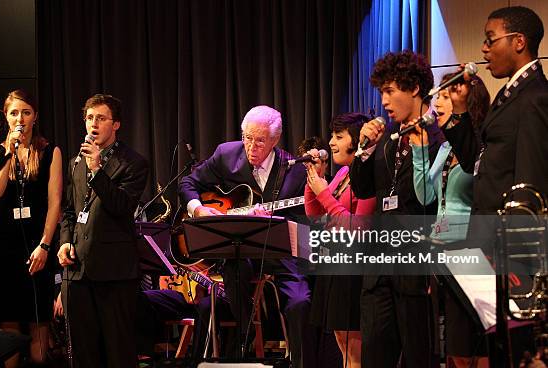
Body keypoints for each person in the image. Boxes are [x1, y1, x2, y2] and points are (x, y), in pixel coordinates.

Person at [179, 105, 317, 368]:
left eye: (260, 140)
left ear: (275, 140)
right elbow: (188, 184)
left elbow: (308, 220)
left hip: (281, 252)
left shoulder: (294, 170)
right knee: (234, 267)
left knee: (300, 302)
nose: (251, 146)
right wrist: (198, 208)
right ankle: (246, 336)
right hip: (243, 248)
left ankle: (301, 362)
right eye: (247, 138)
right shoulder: (226, 154)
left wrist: (277, 222)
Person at [350, 50, 443, 367]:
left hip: (416, 268)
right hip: (378, 270)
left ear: (414, 88)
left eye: (390, 91)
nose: (385, 101)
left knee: (419, 356)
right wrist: (364, 151)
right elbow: (364, 191)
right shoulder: (388, 138)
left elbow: (432, 202)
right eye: (381, 93)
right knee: (374, 354)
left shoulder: (440, 136)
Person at [57, 94, 149, 368]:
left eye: (101, 118)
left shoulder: (133, 163)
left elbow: (121, 206)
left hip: (114, 272)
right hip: (78, 270)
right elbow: (70, 211)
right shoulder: (75, 162)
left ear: (116, 124)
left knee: (117, 349)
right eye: (89, 118)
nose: (93, 124)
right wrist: (64, 241)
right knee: (83, 351)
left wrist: (97, 169)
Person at [405, 74, 490, 367]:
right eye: (436, 97)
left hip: (471, 252)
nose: (435, 103)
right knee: (455, 343)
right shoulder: (443, 147)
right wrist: (419, 151)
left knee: (476, 340)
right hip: (443, 253)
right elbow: (427, 196)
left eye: (443, 96)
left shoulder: (480, 143)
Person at [445, 6, 548, 243]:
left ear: (519, 42)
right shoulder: (509, 93)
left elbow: (530, 183)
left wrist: (518, 251)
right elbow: (476, 163)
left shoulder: (536, 96)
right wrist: (460, 107)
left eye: (490, 40)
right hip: (486, 234)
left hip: (507, 245)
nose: (484, 48)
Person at [0, 89, 63, 367]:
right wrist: (9, 153)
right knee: (8, 320)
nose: (20, 118)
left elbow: (55, 202)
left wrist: (45, 245)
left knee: (37, 319)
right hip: (4, 245)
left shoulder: (49, 151)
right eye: (14, 113)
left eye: (26, 112)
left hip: (37, 242)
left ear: (35, 116)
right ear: (6, 117)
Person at [304, 113, 376, 368]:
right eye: (332, 136)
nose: (331, 143)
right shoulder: (344, 172)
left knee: (354, 341)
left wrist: (324, 193)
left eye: (338, 137)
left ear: (356, 142)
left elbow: (358, 227)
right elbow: (315, 214)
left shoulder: (369, 178)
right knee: (341, 340)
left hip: (355, 265)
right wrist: (315, 179)